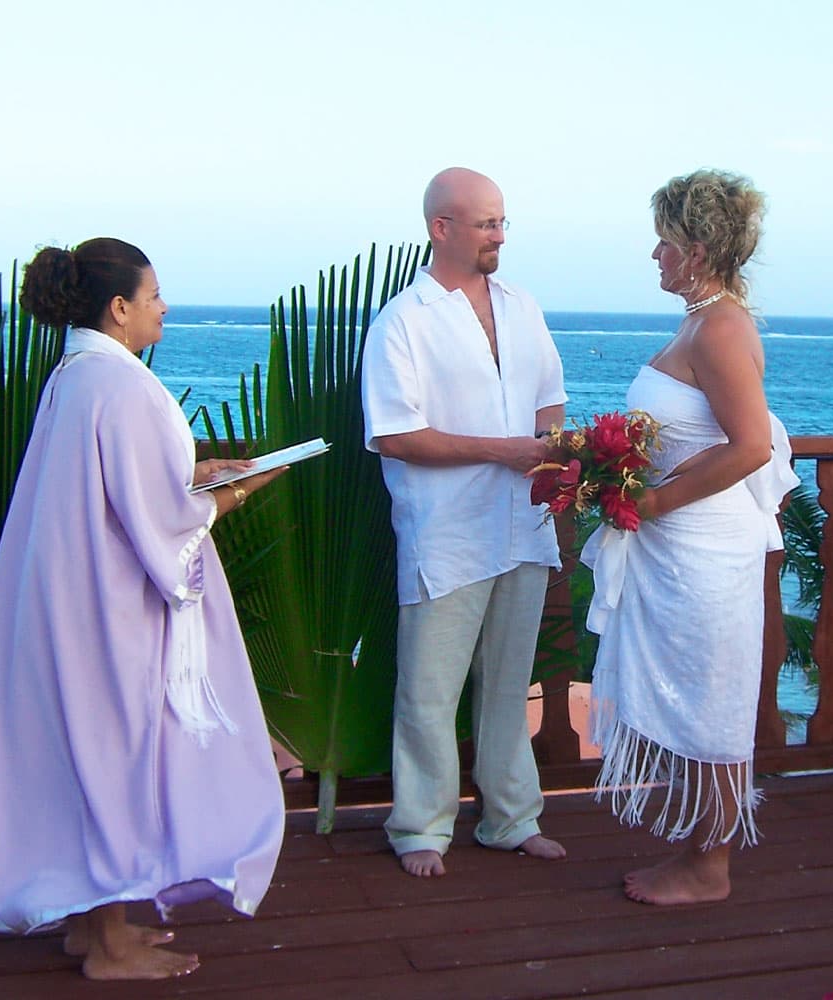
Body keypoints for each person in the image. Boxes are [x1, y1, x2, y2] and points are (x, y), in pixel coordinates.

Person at [0, 238, 287, 979]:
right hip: (109, 611)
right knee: (115, 758)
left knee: (89, 755)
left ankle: (91, 924)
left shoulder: (76, 376)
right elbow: (161, 523)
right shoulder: (125, 386)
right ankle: (108, 946)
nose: (163, 307)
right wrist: (239, 489)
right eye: (154, 295)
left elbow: (111, 484)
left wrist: (191, 471)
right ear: (119, 308)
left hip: (65, 596)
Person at [582, 170, 800, 904]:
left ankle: (710, 869)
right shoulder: (702, 321)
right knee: (691, 697)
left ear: (698, 248)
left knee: (710, 700)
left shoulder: (723, 327)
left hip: (704, 546)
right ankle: (697, 849)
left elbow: (749, 448)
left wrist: (656, 500)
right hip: (679, 546)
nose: (654, 254)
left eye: (666, 241)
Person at [361, 167, 568, 878]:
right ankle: (421, 826)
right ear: (440, 228)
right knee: (429, 688)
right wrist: (503, 451)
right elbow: (395, 434)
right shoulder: (402, 322)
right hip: (446, 532)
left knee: (511, 684)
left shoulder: (522, 306)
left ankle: (513, 819)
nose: (500, 236)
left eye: (503, 222)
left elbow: (551, 400)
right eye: (486, 223)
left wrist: (548, 453)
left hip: (524, 524)